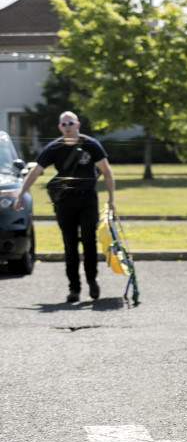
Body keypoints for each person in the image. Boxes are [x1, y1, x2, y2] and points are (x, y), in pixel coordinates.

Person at [14, 112, 115, 302]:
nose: (68, 126)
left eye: (71, 123)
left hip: (87, 200)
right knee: (70, 245)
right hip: (65, 202)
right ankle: (74, 288)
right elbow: (36, 171)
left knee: (88, 241)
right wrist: (21, 194)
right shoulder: (54, 148)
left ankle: (92, 282)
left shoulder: (91, 145)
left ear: (77, 124)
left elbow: (106, 172)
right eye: (64, 124)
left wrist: (111, 199)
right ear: (60, 127)